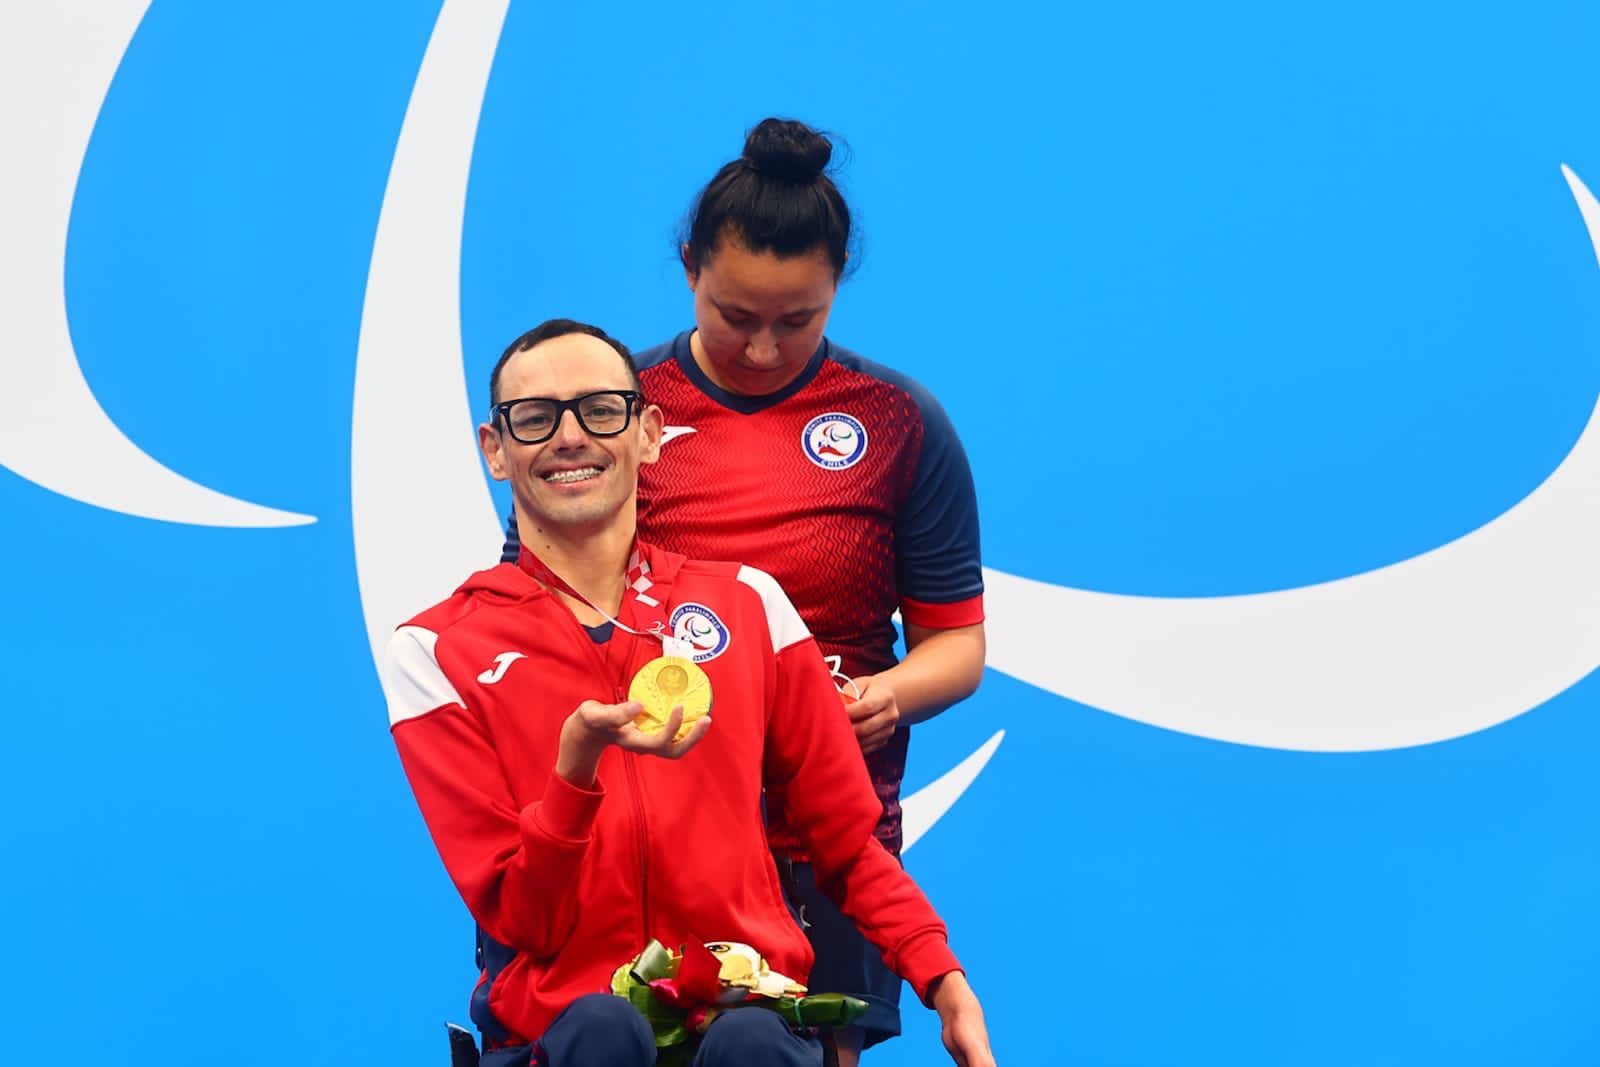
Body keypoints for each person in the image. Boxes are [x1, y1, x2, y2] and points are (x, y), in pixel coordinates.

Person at [501, 118, 986, 1064]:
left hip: (829, 839)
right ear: (689, 269)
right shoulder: (611, 410)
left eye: (797, 320)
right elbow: (536, 609)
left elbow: (957, 644)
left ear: (838, 283)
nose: (763, 348)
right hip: (648, 838)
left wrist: (883, 696)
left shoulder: (897, 422)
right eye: (735, 315)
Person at [387, 319, 995, 1067]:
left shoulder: (749, 605)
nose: (570, 436)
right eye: (537, 417)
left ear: (648, 433)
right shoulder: (439, 650)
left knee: (747, 1043)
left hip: (745, 1019)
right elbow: (524, 921)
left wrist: (941, 973)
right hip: (563, 1040)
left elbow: (847, 843)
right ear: (496, 449)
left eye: (600, 410)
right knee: (603, 1029)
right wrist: (575, 773)